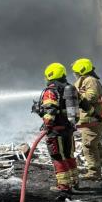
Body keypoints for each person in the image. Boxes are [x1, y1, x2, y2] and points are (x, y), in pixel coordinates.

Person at [37, 62, 79, 194]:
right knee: (68, 154)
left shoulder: (50, 91)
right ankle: (74, 181)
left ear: (50, 75)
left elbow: (50, 110)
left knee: (57, 156)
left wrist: (47, 124)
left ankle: (64, 185)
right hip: (69, 129)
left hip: (56, 130)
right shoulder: (70, 88)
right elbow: (83, 103)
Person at [72, 57, 102, 180]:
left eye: (76, 71)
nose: (74, 74)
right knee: (96, 144)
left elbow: (92, 97)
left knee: (88, 145)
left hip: (93, 119)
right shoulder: (82, 81)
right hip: (88, 120)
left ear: (81, 70)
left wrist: (75, 96)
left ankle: (94, 172)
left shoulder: (90, 80)